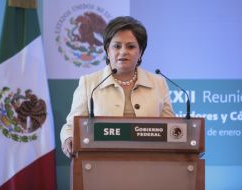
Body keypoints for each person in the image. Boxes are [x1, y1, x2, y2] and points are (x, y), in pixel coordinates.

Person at [60, 16, 175, 158]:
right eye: (117, 46)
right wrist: (68, 138)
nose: (123, 51)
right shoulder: (89, 83)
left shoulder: (158, 83)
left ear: (140, 52)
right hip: (101, 162)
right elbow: (72, 126)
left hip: (149, 162)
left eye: (131, 46)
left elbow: (171, 128)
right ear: (108, 50)